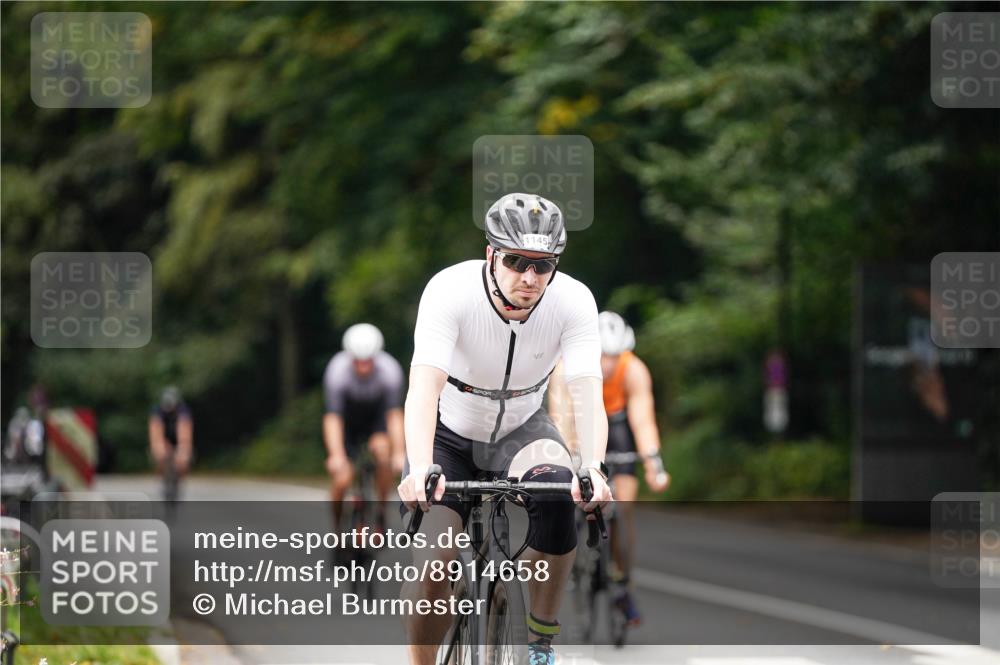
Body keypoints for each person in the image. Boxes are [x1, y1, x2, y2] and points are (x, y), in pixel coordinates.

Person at [397, 192, 613, 665]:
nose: (530, 277)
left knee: (561, 494)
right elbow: (424, 390)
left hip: (523, 429)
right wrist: (420, 467)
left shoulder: (573, 300)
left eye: (543, 265)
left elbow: (587, 392)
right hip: (450, 432)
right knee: (435, 565)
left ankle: (539, 643)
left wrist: (594, 467)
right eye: (516, 261)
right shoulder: (449, 290)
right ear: (491, 254)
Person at [549, 310, 669, 626]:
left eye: (614, 356)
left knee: (623, 507)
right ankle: (571, 555)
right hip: (579, 425)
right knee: (567, 492)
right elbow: (561, 418)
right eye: (602, 355)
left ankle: (623, 584)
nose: (607, 364)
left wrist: (653, 463)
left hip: (617, 429)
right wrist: (569, 457)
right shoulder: (566, 367)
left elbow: (642, 421)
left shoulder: (634, 370)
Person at [323, 323, 405, 532]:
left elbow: (394, 415)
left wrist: (399, 452)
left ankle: (380, 513)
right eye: (358, 362)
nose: (363, 367)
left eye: (368, 361)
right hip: (348, 423)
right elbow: (333, 418)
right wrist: (336, 455)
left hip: (376, 420)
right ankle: (337, 529)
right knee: (342, 479)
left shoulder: (390, 371)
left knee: (383, 454)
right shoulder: (337, 371)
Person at [148, 386, 194, 496]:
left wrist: (183, 450)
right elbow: (155, 433)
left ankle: (179, 481)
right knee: (159, 454)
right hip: (163, 439)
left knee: (184, 457)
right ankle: (162, 478)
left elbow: (185, 433)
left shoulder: (183, 411)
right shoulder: (157, 411)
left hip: (179, 439)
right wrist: (159, 448)